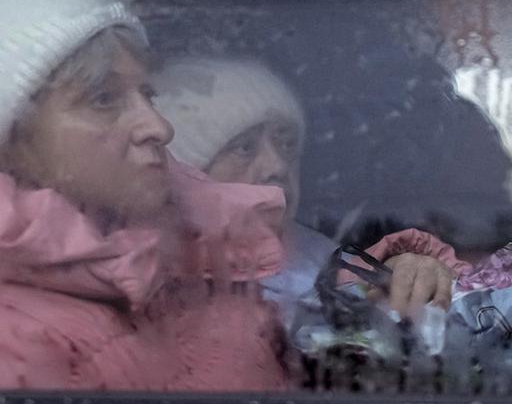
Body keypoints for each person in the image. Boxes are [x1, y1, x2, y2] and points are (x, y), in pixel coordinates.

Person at [0, 0, 291, 390]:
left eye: (147, 94)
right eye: (104, 100)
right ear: (12, 140)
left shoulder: (184, 257)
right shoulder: (16, 340)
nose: (160, 127)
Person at [152, 55, 466, 329]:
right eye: (245, 148)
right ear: (185, 169)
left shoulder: (322, 258)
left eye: (287, 144)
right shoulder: (146, 278)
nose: (277, 165)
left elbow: (412, 338)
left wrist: (413, 282)